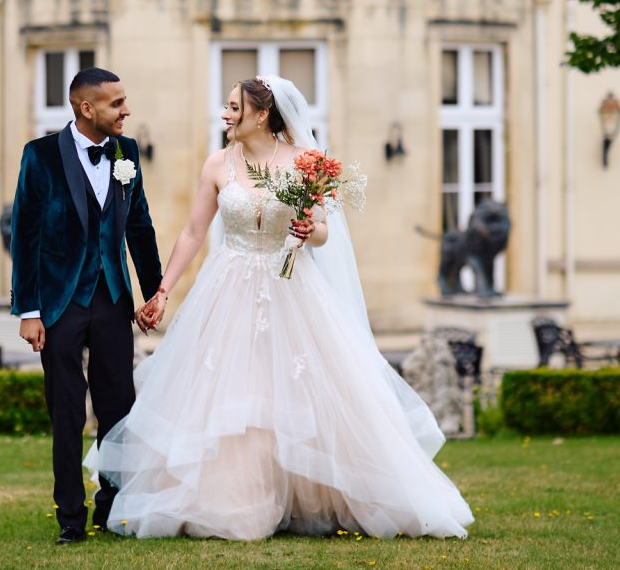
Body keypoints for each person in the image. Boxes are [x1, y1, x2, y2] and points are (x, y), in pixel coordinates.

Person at [86, 76, 473, 540]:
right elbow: (192, 232)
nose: (225, 114)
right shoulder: (217, 164)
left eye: (234, 107)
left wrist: (312, 231)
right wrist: (163, 290)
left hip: (291, 285)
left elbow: (325, 230)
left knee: (299, 388)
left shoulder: (303, 163)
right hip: (229, 286)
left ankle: (319, 492)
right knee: (232, 391)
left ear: (262, 114)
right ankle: (233, 499)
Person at [10, 67, 162, 545]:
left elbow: (139, 227)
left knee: (118, 410)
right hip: (59, 304)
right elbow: (25, 235)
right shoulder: (40, 156)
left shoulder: (127, 153)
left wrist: (153, 292)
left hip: (112, 298)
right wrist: (29, 310)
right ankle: (70, 519)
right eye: (116, 103)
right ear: (86, 108)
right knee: (68, 411)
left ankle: (112, 510)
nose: (127, 110)